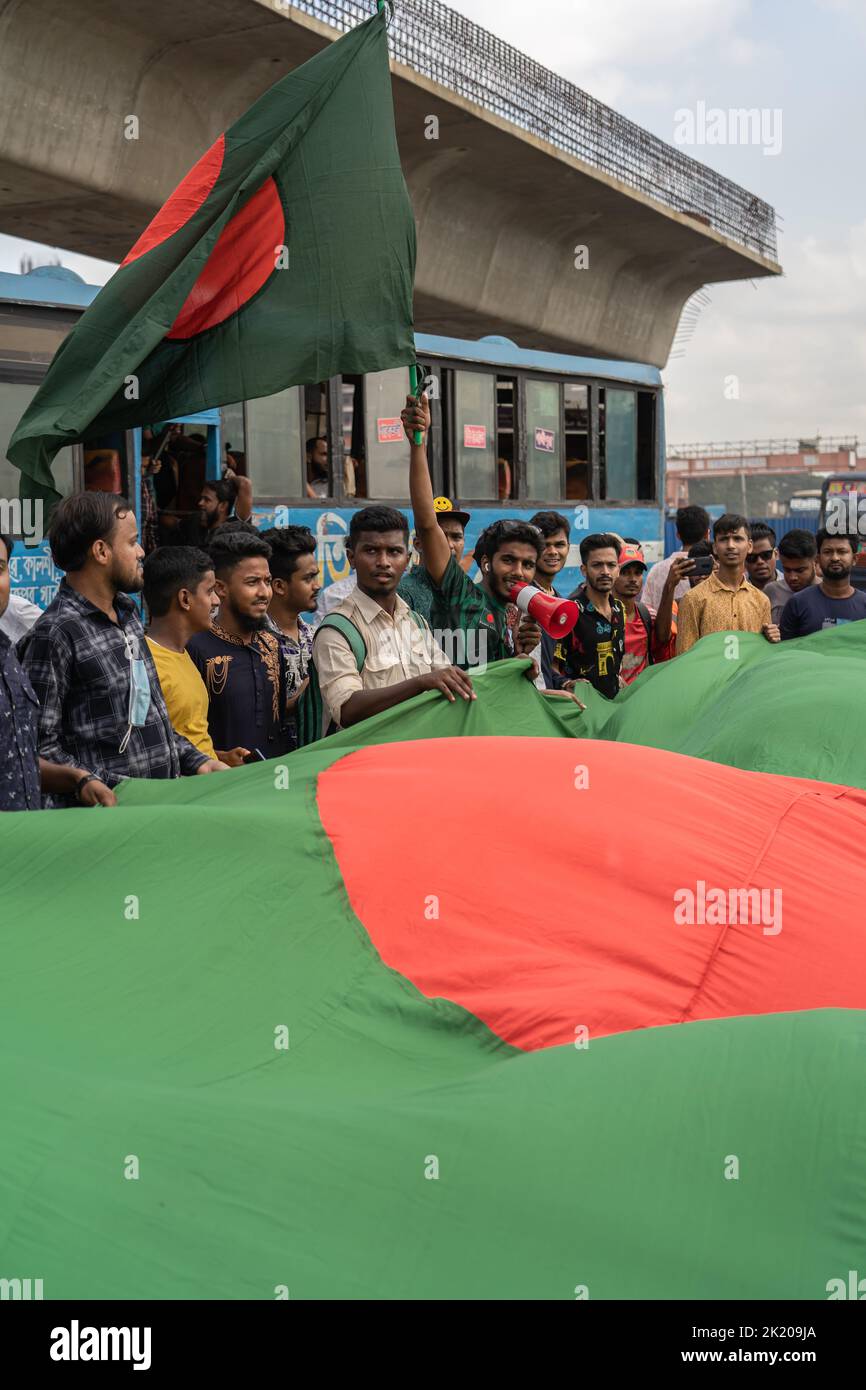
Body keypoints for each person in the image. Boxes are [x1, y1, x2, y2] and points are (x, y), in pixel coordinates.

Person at [17, 494, 224, 807]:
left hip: (155, 812)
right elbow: (40, 748)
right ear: (101, 551)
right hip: (110, 825)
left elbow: (149, 721)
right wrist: (98, 784)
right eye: (132, 542)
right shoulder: (57, 633)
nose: (141, 552)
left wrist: (197, 761)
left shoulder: (127, 616)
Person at [403, 393, 541, 670]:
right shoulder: (463, 595)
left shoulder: (513, 613)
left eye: (528, 564)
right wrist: (419, 445)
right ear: (486, 563)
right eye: (509, 560)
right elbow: (429, 525)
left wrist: (520, 659)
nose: (519, 572)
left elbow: (493, 682)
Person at [312, 505, 474, 733]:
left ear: (407, 560)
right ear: (351, 558)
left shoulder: (415, 622)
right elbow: (347, 710)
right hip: (369, 764)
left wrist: (514, 670)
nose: (384, 562)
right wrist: (420, 683)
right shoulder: (337, 630)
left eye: (394, 552)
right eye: (371, 551)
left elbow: (450, 682)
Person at [188, 530, 294, 763]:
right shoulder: (195, 647)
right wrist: (219, 758)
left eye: (267, 581)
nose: (264, 593)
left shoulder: (272, 644)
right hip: (220, 788)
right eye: (252, 582)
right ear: (221, 588)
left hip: (272, 782)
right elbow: (180, 736)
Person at [143, 546, 221, 760]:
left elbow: (188, 737)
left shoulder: (183, 653)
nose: (217, 600)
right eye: (209, 591)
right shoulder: (146, 667)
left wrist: (220, 757)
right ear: (185, 599)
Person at [675, 513, 780, 655]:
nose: (730, 546)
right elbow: (684, 657)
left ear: (749, 546)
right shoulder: (693, 599)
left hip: (747, 677)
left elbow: (762, 656)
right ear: (715, 548)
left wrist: (771, 639)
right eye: (724, 539)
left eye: (737, 539)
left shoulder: (761, 601)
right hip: (708, 677)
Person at [260, 525, 320, 748]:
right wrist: (310, 689)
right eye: (308, 578)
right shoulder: (254, 641)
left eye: (316, 576)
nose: (318, 585)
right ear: (279, 586)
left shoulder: (317, 636)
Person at [552, 533, 625, 698]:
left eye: (611, 565)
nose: (605, 572)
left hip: (612, 710)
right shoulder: (568, 612)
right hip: (579, 711)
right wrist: (566, 684)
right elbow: (550, 667)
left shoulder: (619, 610)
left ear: (618, 570)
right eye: (597, 565)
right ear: (584, 570)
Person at [614, 542, 686, 684]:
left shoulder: (647, 615)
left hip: (638, 697)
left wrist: (670, 586)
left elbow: (663, 638)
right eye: (625, 572)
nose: (633, 579)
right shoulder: (603, 618)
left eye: (638, 573)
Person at [780, 530, 866, 638]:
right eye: (828, 552)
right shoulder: (797, 603)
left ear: (854, 558)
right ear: (818, 559)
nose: (835, 558)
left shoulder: (864, 604)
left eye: (842, 551)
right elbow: (784, 650)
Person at [398, 500, 471, 622]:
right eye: (439, 536)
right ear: (418, 544)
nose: (449, 544)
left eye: (456, 537)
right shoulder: (403, 593)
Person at [527, 510, 571, 687]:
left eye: (559, 544)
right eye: (545, 545)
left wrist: (565, 683)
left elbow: (546, 667)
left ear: (568, 547)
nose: (553, 552)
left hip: (547, 702)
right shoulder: (522, 597)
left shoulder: (559, 600)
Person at [643, 505, 711, 610]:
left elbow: (646, 611)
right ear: (707, 534)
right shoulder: (716, 569)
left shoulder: (656, 571)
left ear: (678, 535)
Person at [764, 530, 819, 625]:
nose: (792, 577)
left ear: (815, 561)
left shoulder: (828, 593)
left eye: (800, 570)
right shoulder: (771, 592)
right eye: (787, 570)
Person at [195, 472, 253, 541]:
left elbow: (245, 483)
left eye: (207, 500)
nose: (200, 503)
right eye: (201, 498)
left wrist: (231, 478)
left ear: (223, 506)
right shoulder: (194, 525)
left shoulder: (236, 528)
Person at [744, 522, 780, 590]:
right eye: (752, 557)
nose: (760, 561)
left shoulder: (791, 587)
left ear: (776, 554)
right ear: (744, 560)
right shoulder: (735, 588)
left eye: (766, 555)